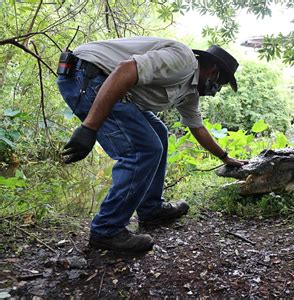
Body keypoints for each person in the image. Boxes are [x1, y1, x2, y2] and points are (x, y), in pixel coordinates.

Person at [56, 37, 247, 253]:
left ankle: (151, 208)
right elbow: (125, 70)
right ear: (212, 71)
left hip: (105, 83)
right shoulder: (183, 61)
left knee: (158, 132)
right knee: (143, 150)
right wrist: (90, 127)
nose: (216, 91)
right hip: (87, 77)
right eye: (219, 85)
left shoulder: (190, 91)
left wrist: (225, 157)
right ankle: (106, 230)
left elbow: (197, 127)